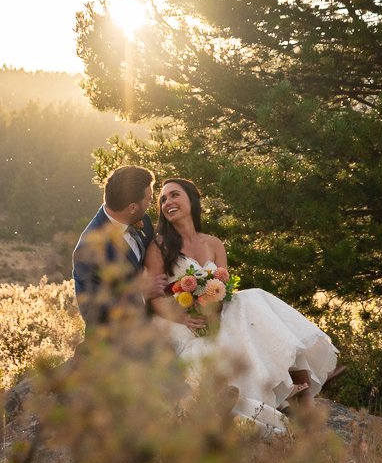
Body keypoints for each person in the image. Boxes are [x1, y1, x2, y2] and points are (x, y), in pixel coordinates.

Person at [142, 177, 338, 434]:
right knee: (243, 310)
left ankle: (298, 386)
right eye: (163, 200)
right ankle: (277, 390)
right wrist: (184, 318)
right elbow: (154, 297)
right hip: (179, 319)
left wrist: (213, 304)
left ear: (192, 200)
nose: (168, 202)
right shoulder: (159, 247)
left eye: (175, 195)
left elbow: (224, 288)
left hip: (216, 311)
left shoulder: (213, 243)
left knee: (250, 299)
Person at [70, 164, 170, 328]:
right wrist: (140, 294)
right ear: (132, 207)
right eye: (149, 200)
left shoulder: (142, 221)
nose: (150, 204)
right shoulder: (89, 248)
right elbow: (93, 313)